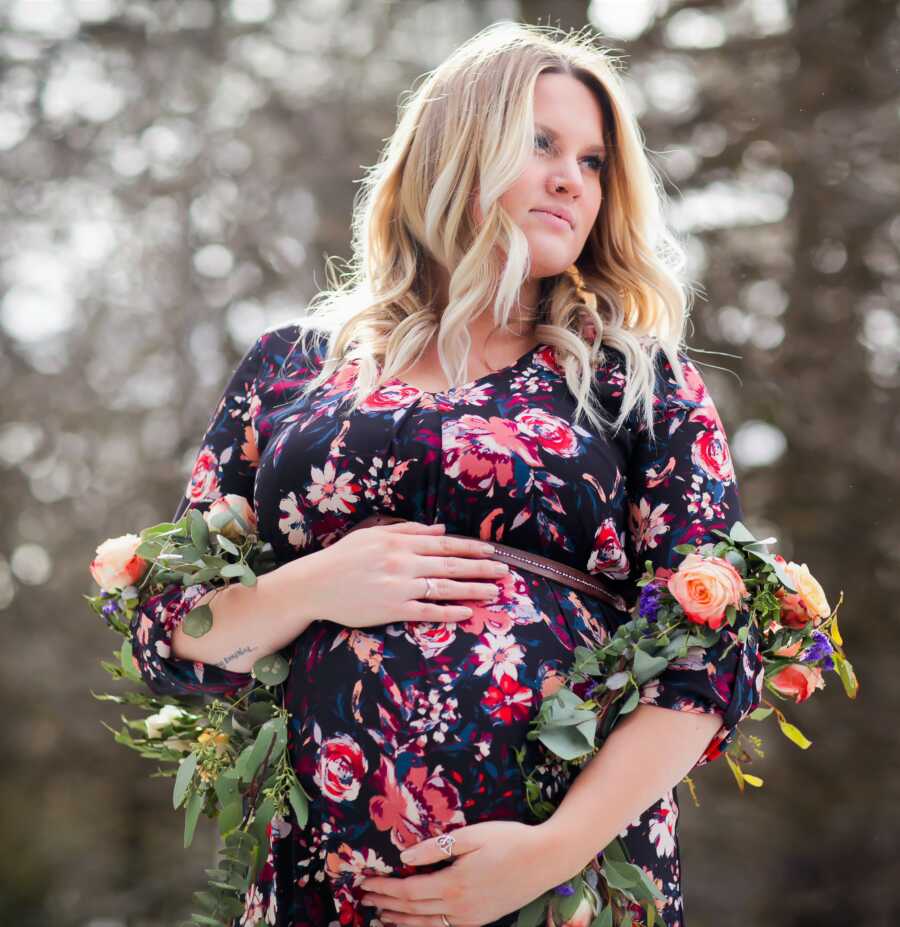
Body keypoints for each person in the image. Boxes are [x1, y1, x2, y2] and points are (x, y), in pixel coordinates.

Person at [130, 21, 764, 927]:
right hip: (322, 888)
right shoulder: (292, 367)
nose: (568, 180)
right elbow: (169, 631)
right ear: (456, 147)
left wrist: (548, 851)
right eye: (540, 143)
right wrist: (316, 583)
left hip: (560, 888)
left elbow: (712, 647)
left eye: (592, 163)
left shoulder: (635, 377)